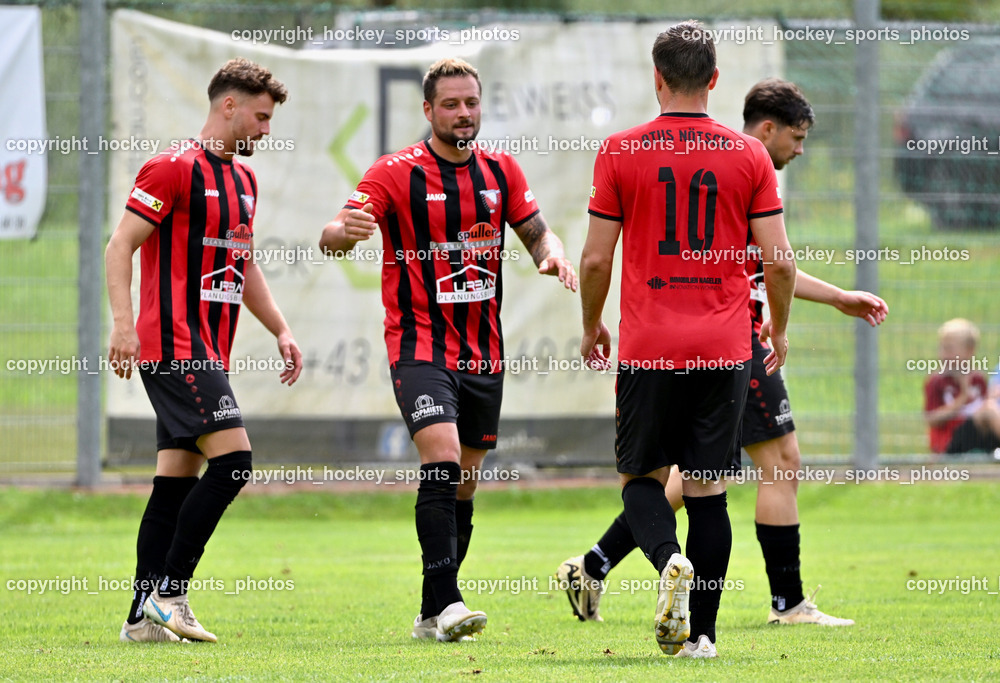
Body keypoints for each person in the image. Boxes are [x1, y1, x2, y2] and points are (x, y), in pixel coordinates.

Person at [559, 78, 890, 635]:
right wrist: (788, 326)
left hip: (676, 346)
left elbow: (766, 266)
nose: (800, 149)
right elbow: (774, 263)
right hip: (736, 345)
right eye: (798, 137)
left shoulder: (688, 165)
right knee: (767, 465)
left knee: (683, 478)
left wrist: (836, 298)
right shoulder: (742, 168)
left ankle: (600, 563)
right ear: (767, 128)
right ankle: (783, 601)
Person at [319, 57, 577, 642]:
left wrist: (551, 254)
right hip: (419, 346)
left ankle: (430, 612)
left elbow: (537, 230)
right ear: (429, 110)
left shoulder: (500, 170)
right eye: (452, 104)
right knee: (439, 459)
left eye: (472, 103)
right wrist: (342, 234)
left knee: (463, 481)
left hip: (483, 354)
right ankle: (453, 602)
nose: (464, 114)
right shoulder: (394, 172)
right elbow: (335, 228)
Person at [577, 22, 797, 658]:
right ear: (715, 80)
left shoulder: (620, 151)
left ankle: (668, 561)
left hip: (650, 347)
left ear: (657, 78)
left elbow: (594, 262)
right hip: (725, 348)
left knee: (641, 481)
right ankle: (702, 637)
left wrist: (592, 324)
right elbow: (778, 261)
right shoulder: (750, 155)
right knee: (707, 489)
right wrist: (776, 328)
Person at [106, 58, 303, 643]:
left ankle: (142, 619)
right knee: (235, 463)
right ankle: (170, 591)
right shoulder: (171, 168)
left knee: (175, 480)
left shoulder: (243, 181)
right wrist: (123, 324)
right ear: (229, 107)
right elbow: (120, 246)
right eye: (261, 118)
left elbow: (241, 265)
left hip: (208, 351)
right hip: (173, 345)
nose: (266, 131)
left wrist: (281, 329)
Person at [924, 318, 1000, 456]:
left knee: (990, 408)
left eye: (949, 349)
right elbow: (932, 420)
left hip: (975, 437)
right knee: (989, 409)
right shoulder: (937, 381)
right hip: (949, 441)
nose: (943, 354)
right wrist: (963, 397)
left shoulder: (977, 379)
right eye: (942, 347)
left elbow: (981, 411)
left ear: (969, 351)